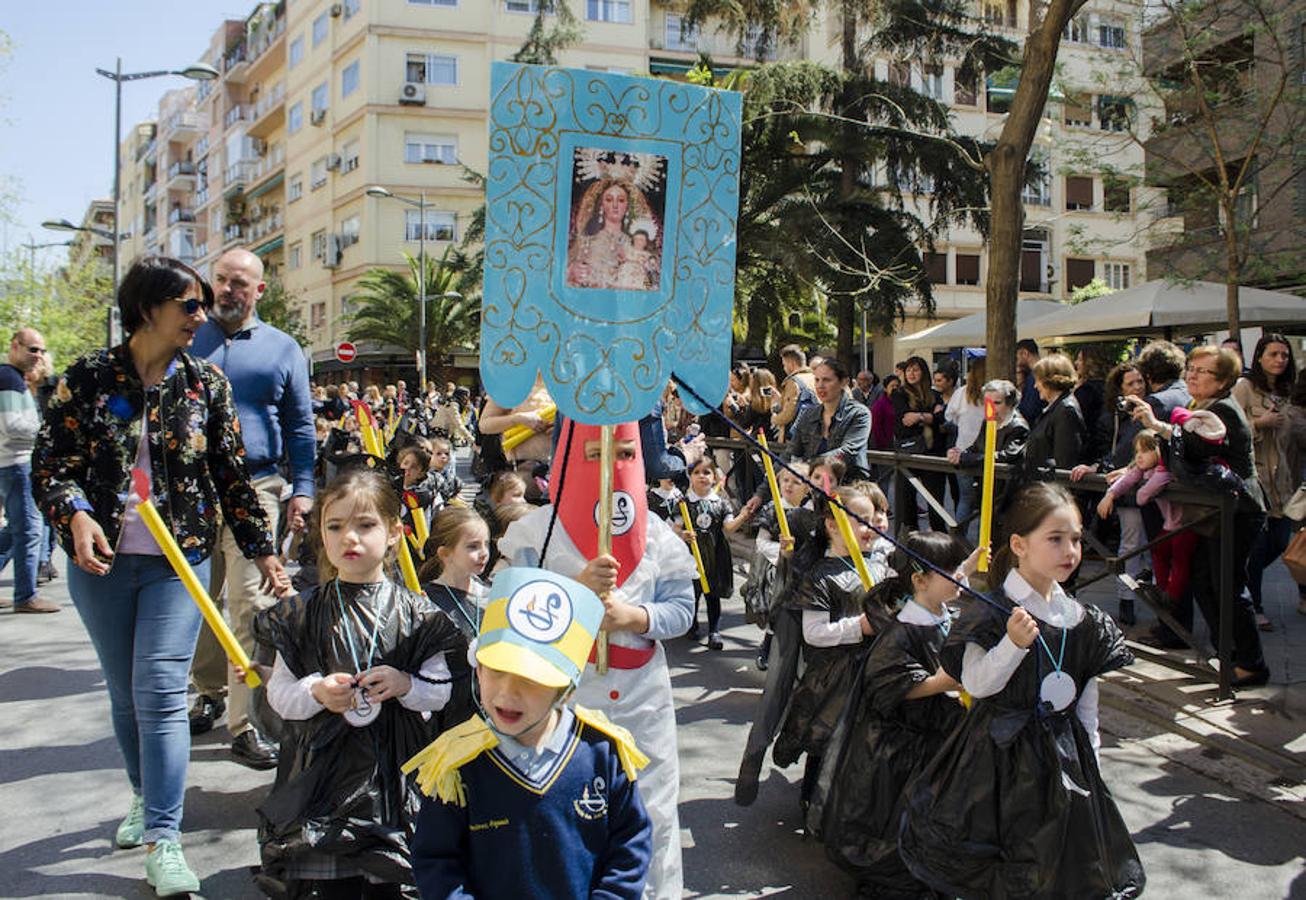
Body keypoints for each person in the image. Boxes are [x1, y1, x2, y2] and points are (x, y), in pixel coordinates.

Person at [33, 255, 288, 896]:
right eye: (189, 305)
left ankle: (165, 840)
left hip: (182, 560)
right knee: (124, 691)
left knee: (161, 691)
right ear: (148, 309)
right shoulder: (86, 380)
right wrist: (77, 514)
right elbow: (51, 464)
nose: (200, 316)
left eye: (202, 305)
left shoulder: (205, 385)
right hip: (103, 565)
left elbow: (232, 477)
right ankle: (145, 797)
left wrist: (263, 552)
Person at [899, 482, 1145, 898]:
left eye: (1076, 539)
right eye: (1055, 539)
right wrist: (1012, 645)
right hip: (997, 759)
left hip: (1064, 759)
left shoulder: (1082, 619)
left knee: (1057, 862)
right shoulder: (990, 609)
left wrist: (1093, 761)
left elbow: (1086, 700)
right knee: (1005, 859)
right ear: (1019, 544)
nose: (1070, 550)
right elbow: (976, 684)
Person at [497, 419, 694, 899]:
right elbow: (500, 618)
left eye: (624, 453)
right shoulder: (530, 534)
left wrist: (633, 616)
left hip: (641, 699)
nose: (609, 465)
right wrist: (572, 597)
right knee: (556, 814)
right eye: (594, 454)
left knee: (650, 812)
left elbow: (682, 610)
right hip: (559, 701)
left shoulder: (658, 534)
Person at [254, 468, 466, 898]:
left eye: (365, 525)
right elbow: (279, 694)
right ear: (322, 535)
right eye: (335, 527)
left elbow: (439, 691)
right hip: (319, 781)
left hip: (392, 778)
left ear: (392, 533)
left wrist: (405, 684)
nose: (349, 537)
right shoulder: (301, 614)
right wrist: (316, 691)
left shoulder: (416, 614)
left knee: (389, 882)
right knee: (331, 887)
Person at [408, 566, 653, 899]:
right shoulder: (455, 765)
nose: (508, 693)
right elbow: (436, 862)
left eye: (531, 678)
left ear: (565, 688)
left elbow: (630, 846)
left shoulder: (602, 752)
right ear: (478, 669)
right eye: (496, 671)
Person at [188, 248, 316, 770]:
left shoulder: (284, 350)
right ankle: (209, 690)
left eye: (239, 283)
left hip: (258, 487)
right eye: (220, 280)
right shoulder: (187, 337)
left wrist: (303, 488)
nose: (227, 290)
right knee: (198, 600)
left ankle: (244, 724)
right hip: (192, 491)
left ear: (259, 290)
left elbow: (301, 426)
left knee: (250, 604)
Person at [816, 532, 980, 896]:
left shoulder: (939, 611)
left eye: (958, 570)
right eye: (950, 572)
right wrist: (944, 682)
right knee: (901, 812)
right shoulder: (903, 629)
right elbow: (891, 685)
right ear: (920, 581)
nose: (959, 578)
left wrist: (965, 567)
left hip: (938, 732)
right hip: (902, 745)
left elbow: (950, 590)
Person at [1125, 345, 1271, 687]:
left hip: (1237, 511)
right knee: (1206, 581)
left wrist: (1156, 425)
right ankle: (1227, 654)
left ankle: (1250, 662)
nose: (1191, 374)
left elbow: (1192, 450)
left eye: (1201, 371)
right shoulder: (1199, 405)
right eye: (1191, 367)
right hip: (1213, 511)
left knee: (1227, 586)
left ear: (1222, 380)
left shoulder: (1222, 411)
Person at [774, 482, 891, 812]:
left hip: (872, 667)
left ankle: (851, 804)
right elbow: (814, 633)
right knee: (825, 739)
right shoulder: (821, 576)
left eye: (871, 519)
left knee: (862, 738)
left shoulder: (880, 566)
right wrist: (860, 627)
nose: (867, 526)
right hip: (833, 676)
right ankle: (811, 800)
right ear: (831, 524)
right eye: (858, 518)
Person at [1071, 361, 1149, 625]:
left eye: (1140, 382)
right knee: (1131, 545)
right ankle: (1126, 600)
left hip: (1156, 487)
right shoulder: (1112, 418)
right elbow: (1112, 453)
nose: (1137, 388)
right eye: (1131, 384)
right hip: (1127, 490)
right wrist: (1096, 467)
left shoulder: (1153, 410)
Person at [1232, 334, 1297, 630]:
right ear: (1259, 357)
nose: (1279, 360)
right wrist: (1259, 423)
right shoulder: (1245, 387)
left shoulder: (1286, 392)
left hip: (1281, 480)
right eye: (1273, 354)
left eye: (1284, 355)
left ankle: (1242, 586)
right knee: (1256, 547)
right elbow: (1230, 426)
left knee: (1281, 540)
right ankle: (1253, 604)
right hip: (1255, 480)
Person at [1098, 430, 1198, 609]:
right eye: (1136, 452)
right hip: (1171, 523)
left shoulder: (1164, 470)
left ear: (1158, 451)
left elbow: (1143, 496)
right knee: (1159, 550)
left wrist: (1140, 490)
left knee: (1179, 558)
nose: (1139, 456)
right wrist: (1110, 494)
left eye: (1144, 451)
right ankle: (1160, 589)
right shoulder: (1144, 469)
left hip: (1185, 524)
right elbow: (1128, 479)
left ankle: (1172, 594)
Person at [0, 327, 59, 613]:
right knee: (28, 530)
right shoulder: (9, 378)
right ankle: (25, 596)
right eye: (33, 349)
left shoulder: (13, 379)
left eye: (42, 351)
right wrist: (47, 431)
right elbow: (12, 426)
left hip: (14, 463)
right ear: (15, 346)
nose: (39, 356)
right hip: (16, 463)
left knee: (16, 530)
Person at [948, 377, 1029, 541]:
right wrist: (959, 453)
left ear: (1010, 403)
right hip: (987, 492)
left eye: (997, 402)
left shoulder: (1018, 426)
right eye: (987, 402)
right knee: (983, 539)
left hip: (1008, 496)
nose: (991, 407)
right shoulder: (988, 421)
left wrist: (966, 458)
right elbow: (977, 446)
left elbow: (1006, 456)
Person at [678, 455, 736, 650]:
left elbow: (729, 526)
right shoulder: (684, 503)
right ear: (690, 477)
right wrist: (682, 534)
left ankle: (714, 631)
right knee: (692, 593)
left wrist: (744, 515)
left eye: (706, 472)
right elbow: (674, 526)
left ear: (715, 477)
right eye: (696, 472)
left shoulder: (721, 504)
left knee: (713, 595)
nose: (702, 476)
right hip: (691, 556)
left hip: (714, 555)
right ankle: (691, 623)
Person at [787, 357, 872, 481]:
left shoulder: (859, 413)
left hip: (848, 487)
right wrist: (761, 493)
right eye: (817, 380)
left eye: (826, 380)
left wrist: (810, 466)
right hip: (814, 487)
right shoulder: (808, 414)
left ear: (843, 382)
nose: (820, 386)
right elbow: (791, 453)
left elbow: (848, 451)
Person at [477, 375, 555, 504]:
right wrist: (519, 419)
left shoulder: (568, 386)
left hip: (564, 470)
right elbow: (484, 425)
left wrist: (563, 429)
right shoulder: (512, 385)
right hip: (525, 473)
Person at [891, 356, 948, 531]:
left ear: (923, 372)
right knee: (906, 501)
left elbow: (941, 419)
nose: (912, 373)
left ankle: (939, 540)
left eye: (916, 370)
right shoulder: (899, 394)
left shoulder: (935, 395)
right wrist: (930, 416)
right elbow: (904, 423)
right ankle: (908, 541)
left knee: (935, 501)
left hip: (933, 452)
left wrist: (919, 417)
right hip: (909, 453)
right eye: (908, 370)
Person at [566, 180, 642, 290]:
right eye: (609, 200)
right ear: (602, 205)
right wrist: (573, 272)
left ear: (627, 207)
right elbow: (561, 276)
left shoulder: (635, 244)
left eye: (620, 200)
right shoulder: (586, 243)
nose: (615, 205)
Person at [1024, 353, 1089, 470]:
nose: (1035, 386)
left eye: (1038, 380)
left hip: (1051, 485)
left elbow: (1064, 460)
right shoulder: (1056, 407)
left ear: (1050, 381)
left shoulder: (1065, 410)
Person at [945, 358, 986, 539]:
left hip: (963, 451)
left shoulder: (962, 393)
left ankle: (958, 540)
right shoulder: (995, 395)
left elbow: (949, 416)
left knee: (966, 499)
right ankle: (983, 544)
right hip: (988, 452)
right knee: (988, 502)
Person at [772, 345, 818, 441]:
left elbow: (789, 413)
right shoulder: (815, 378)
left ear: (791, 364)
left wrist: (775, 419)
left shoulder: (794, 382)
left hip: (795, 439)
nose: (784, 368)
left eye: (784, 364)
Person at [1015, 338, 1045, 424]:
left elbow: (1029, 409)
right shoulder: (1039, 372)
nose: (1017, 362)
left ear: (1025, 353)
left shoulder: (1035, 375)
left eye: (1017, 357)